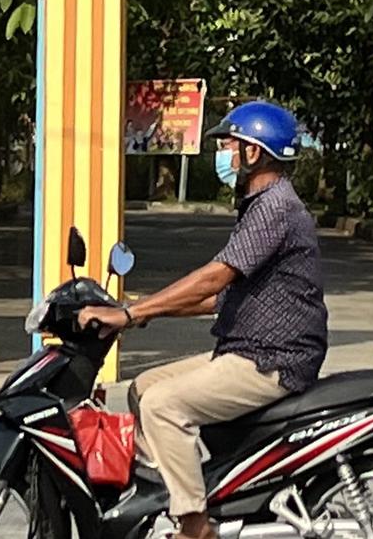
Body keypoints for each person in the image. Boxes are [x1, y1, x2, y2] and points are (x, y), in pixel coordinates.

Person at [78, 100, 328, 539]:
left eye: (229, 145)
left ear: (253, 152)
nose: (223, 155)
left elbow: (215, 277)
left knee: (162, 406)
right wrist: (140, 310)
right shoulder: (261, 205)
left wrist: (131, 313)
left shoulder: (276, 208)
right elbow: (218, 298)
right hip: (249, 349)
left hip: (274, 359)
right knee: (143, 388)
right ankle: (177, 491)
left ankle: (195, 525)